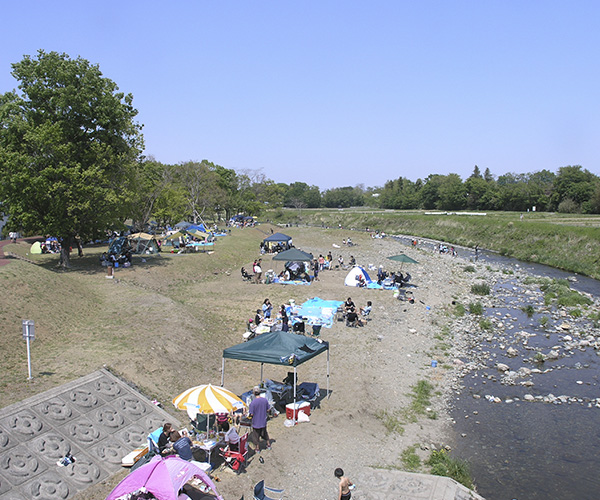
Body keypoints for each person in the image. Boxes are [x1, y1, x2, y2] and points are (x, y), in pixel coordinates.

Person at [248, 386, 271, 452]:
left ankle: (257, 448)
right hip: (263, 420)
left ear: (254, 393)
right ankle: (268, 444)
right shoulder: (265, 400)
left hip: (256, 422)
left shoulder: (253, 403)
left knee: (256, 436)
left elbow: (251, 414)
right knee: (265, 433)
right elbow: (268, 409)